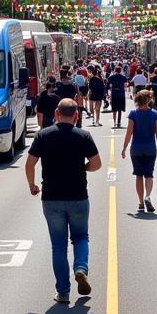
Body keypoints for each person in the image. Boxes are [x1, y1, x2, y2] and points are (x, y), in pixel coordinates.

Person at [26, 99, 102, 303]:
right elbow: (96, 164)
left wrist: (32, 185)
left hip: (51, 198)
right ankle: (80, 268)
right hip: (78, 196)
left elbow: (30, 163)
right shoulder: (83, 136)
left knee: (58, 246)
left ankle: (63, 292)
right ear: (76, 115)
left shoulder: (43, 135)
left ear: (56, 113)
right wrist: (82, 168)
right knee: (81, 237)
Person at [121, 89, 157, 214]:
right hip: (150, 148)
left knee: (139, 175)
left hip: (136, 149)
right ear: (149, 100)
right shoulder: (155, 114)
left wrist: (124, 148)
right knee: (149, 175)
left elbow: (129, 133)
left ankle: (140, 203)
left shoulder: (133, 114)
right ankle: (148, 196)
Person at [107, 64, 128, 128]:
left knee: (114, 109)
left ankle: (114, 122)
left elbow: (108, 84)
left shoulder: (112, 77)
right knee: (120, 109)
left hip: (114, 94)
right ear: (120, 70)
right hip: (121, 94)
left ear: (115, 70)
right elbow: (126, 83)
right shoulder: (123, 77)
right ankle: (119, 122)